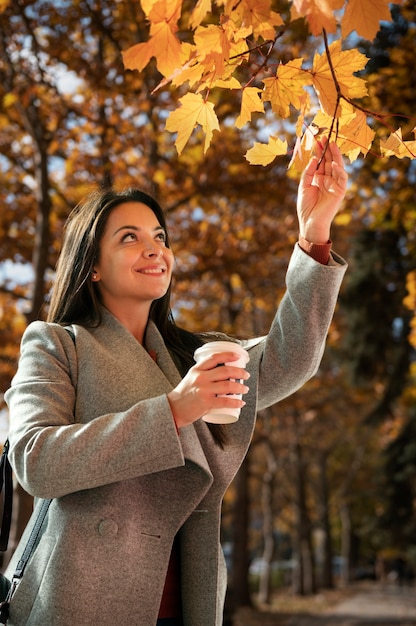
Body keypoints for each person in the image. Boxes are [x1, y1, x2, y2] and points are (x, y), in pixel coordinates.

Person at [4, 139, 348, 626]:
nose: (155, 248)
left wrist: (315, 230)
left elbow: (290, 359)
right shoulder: (59, 344)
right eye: (129, 237)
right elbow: (36, 462)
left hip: (187, 600)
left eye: (160, 236)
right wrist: (172, 411)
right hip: (82, 598)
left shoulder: (197, 354)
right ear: (93, 265)